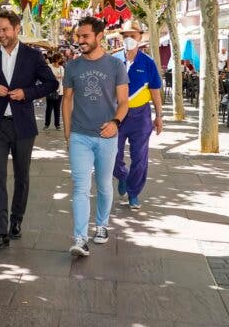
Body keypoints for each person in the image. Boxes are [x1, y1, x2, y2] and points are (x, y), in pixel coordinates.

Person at [0, 9, 58, 249]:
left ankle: (16, 221)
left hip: (23, 126)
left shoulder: (33, 56)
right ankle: (0, 231)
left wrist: (27, 93)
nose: (0, 34)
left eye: (4, 29)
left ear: (17, 29)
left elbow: (52, 83)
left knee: (22, 176)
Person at [63, 16, 129, 257]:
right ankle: (80, 238)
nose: (80, 40)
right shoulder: (72, 66)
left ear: (99, 36)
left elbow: (124, 102)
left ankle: (101, 225)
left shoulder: (115, 66)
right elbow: (67, 99)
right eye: (78, 36)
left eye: (85, 36)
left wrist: (115, 122)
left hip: (107, 136)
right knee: (80, 187)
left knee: (103, 185)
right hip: (80, 136)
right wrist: (68, 133)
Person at [113, 20, 163, 211]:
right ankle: (123, 176)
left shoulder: (148, 62)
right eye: (125, 36)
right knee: (112, 155)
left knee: (140, 157)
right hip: (116, 115)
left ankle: (133, 193)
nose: (129, 39)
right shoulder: (114, 60)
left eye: (132, 36)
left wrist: (159, 116)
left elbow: (156, 91)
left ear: (140, 38)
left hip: (140, 115)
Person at [44, 53, 64, 131]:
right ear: (56, 59)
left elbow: (63, 77)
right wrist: (56, 77)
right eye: (60, 58)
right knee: (49, 108)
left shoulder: (61, 68)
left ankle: (57, 124)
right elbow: (47, 76)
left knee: (57, 108)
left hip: (59, 90)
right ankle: (47, 124)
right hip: (50, 90)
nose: (61, 59)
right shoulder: (49, 67)